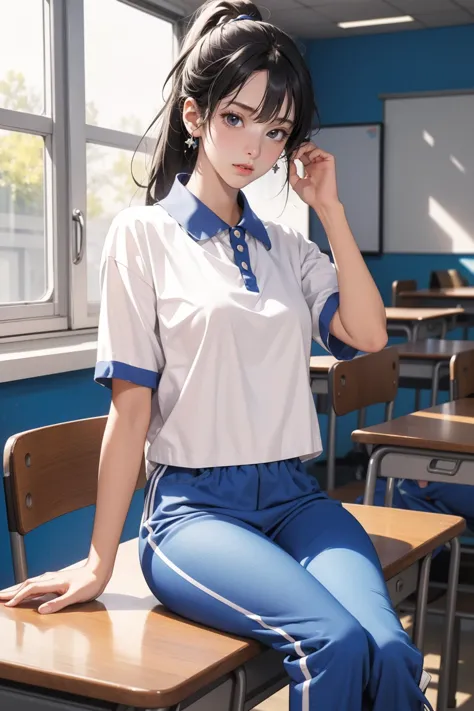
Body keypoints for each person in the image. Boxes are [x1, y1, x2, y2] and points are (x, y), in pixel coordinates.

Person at [0, 2, 432, 709]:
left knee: (389, 650)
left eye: (276, 129)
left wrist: (329, 209)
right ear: (196, 118)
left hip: (295, 499)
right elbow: (130, 411)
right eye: (236, 117)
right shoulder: (141, 237)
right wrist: (101, 559)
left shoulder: (288, 247)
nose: (254, 147)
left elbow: (369, 334)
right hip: (195, 513)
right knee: (336, 641)